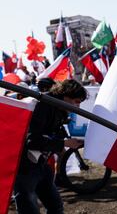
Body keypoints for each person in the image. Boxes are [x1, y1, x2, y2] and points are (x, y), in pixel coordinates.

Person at [13, 79, 87, 214]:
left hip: (41, 164)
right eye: (76, 101)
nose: (78, 107)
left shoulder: (57, 107)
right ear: (66, 96)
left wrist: (65, 141)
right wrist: (63, 143)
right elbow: (31, 140)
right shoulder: (43, 104)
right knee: (29, 209)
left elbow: (50, 133)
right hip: (24, 167)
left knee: (56, 206)